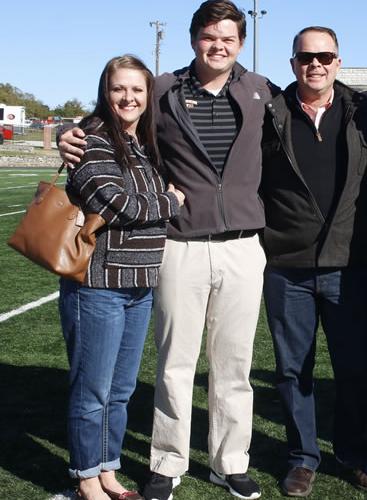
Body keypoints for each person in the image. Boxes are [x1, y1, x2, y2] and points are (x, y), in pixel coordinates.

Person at [58, 2, 277, 499]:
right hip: (178, 243)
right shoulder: (161, 88)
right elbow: (107, 116)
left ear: (240, 43)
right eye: (208, 35)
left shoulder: (260, 88)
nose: (217, 45)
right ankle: (167, 460)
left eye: (228, 37)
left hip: (243, 246)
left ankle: (230, 461)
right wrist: (62, 133)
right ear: (194, 38)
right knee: (175, 362)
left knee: (234, 364)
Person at [260, 26, 367, 497]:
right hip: (285, 265)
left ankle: (354, 454)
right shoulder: (268, 113)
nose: (315, 64)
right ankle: (302, 457)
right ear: (293, 63)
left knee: (354, 366)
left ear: (338, 61)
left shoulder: (365, 112)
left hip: (347, 264)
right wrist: (83, 128)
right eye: (305, 57)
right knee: (294, 369)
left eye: (325, 56)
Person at [59, 55, 184, 500]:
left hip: (139, 285)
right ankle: (86, 479)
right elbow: (116, 204)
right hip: (98, 285)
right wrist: (170, 203)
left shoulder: (143, 143)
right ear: (105, 91)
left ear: (148, 97)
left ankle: (108, 471)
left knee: (120, 390)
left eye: (137, 90)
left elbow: (133, 203)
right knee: (92, 389)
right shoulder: (92, 138)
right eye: (119, 89)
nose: (128, 98)